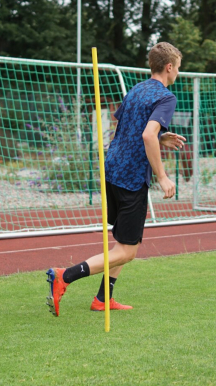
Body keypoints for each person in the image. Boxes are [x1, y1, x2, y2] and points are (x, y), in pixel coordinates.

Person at [46, 42, 186, 316]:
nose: (178, 72)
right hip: (132, 176)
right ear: (169, 67)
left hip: (112, 168)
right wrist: (163, 176)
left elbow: (129, 130)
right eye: (178, 67)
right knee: (128, 251)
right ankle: (64, 276)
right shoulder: (166, 97)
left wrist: (160, 138)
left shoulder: (136, 89)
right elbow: (146, 135)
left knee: (123, 243)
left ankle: (102, 299)